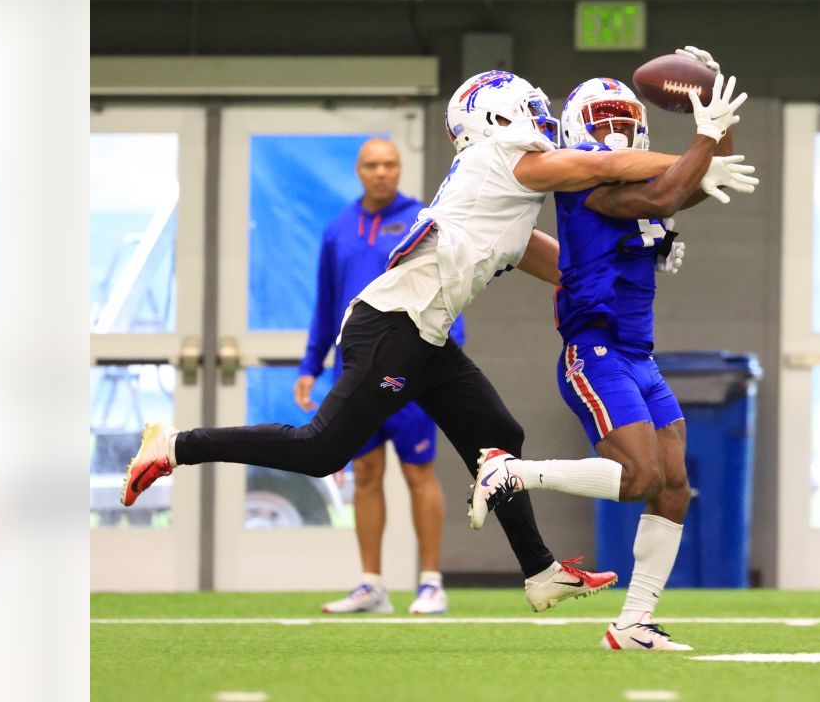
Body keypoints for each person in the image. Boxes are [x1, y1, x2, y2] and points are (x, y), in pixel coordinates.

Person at [122, 68, 744, 610]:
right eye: (528, 107)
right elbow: (604, 164)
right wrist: (695, 159)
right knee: (320, 451)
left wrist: (638, 252)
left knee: (500, 438)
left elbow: (543, 256)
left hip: (427, 333)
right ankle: (174, 444)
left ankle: (540, 572)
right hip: (391, 327)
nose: (543, 117)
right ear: (497, 116)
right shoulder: (508, 160)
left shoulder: (503, 185)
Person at [468, 48, 758, 648]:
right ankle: (512, 472)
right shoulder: (589, 187)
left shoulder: (640, 175)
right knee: (638, 476)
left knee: (674, 483)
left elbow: (688, 186)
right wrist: (700, 144)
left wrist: (716, 122)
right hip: (594, 350)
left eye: (624, 118)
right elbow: (658, 199)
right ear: (576, 130)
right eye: (601, 120)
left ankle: (633, 623)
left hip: (637, 356)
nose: (615, 129)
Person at [295, 138, 458, 615]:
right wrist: (310, 366)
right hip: (355, 372)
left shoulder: (424, 221)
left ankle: (430, 582)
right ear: (359, 171)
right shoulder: (337, 231)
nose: (381, 172)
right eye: (372, 165)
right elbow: (325, 306)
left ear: (399, 168)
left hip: (413, 369)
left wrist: (445, 361)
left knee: (418, 472)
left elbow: (450, 288)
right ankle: (371, 585)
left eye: (389, 164)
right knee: (365, 474)